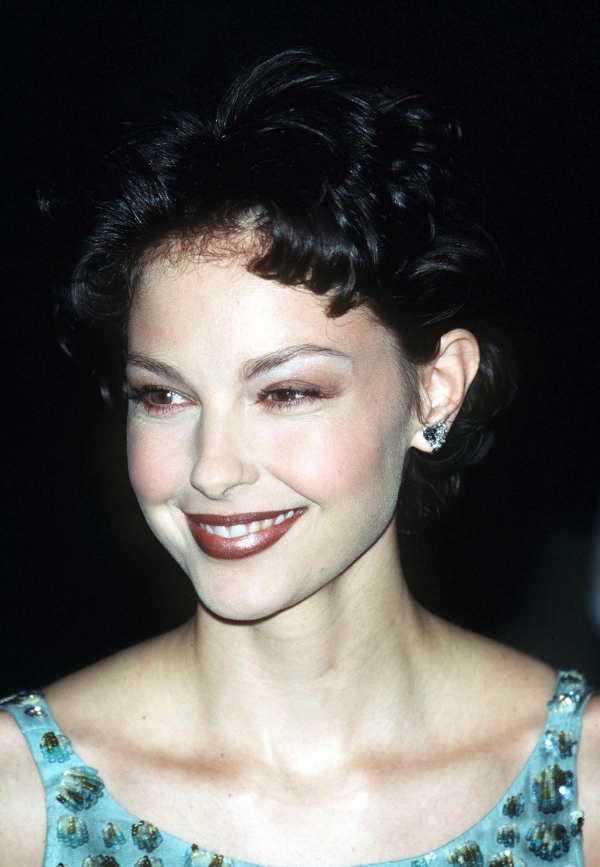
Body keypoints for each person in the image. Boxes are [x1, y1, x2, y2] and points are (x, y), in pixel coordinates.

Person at [0, 49, 598, 867]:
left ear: (437, 390)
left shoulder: (585, 786)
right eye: (164, 395)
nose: (212, 470)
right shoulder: (18, 800)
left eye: (286, 392)